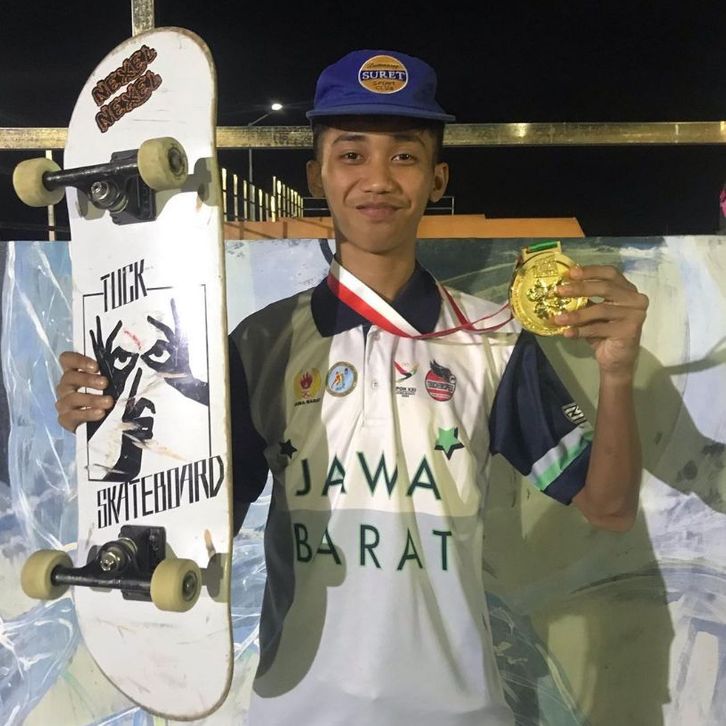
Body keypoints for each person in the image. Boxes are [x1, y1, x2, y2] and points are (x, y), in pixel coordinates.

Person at [55, 49, 648, 726]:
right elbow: (194, 521)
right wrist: (110, 418)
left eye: (405, 156)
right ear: (317, 175)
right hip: (295, 707)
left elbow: (609, 507)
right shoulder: (260, 343)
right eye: (351, 154)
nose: (378, 179)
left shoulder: (495, 339)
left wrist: (617, 370)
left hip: (456, 712)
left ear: (436, 178)